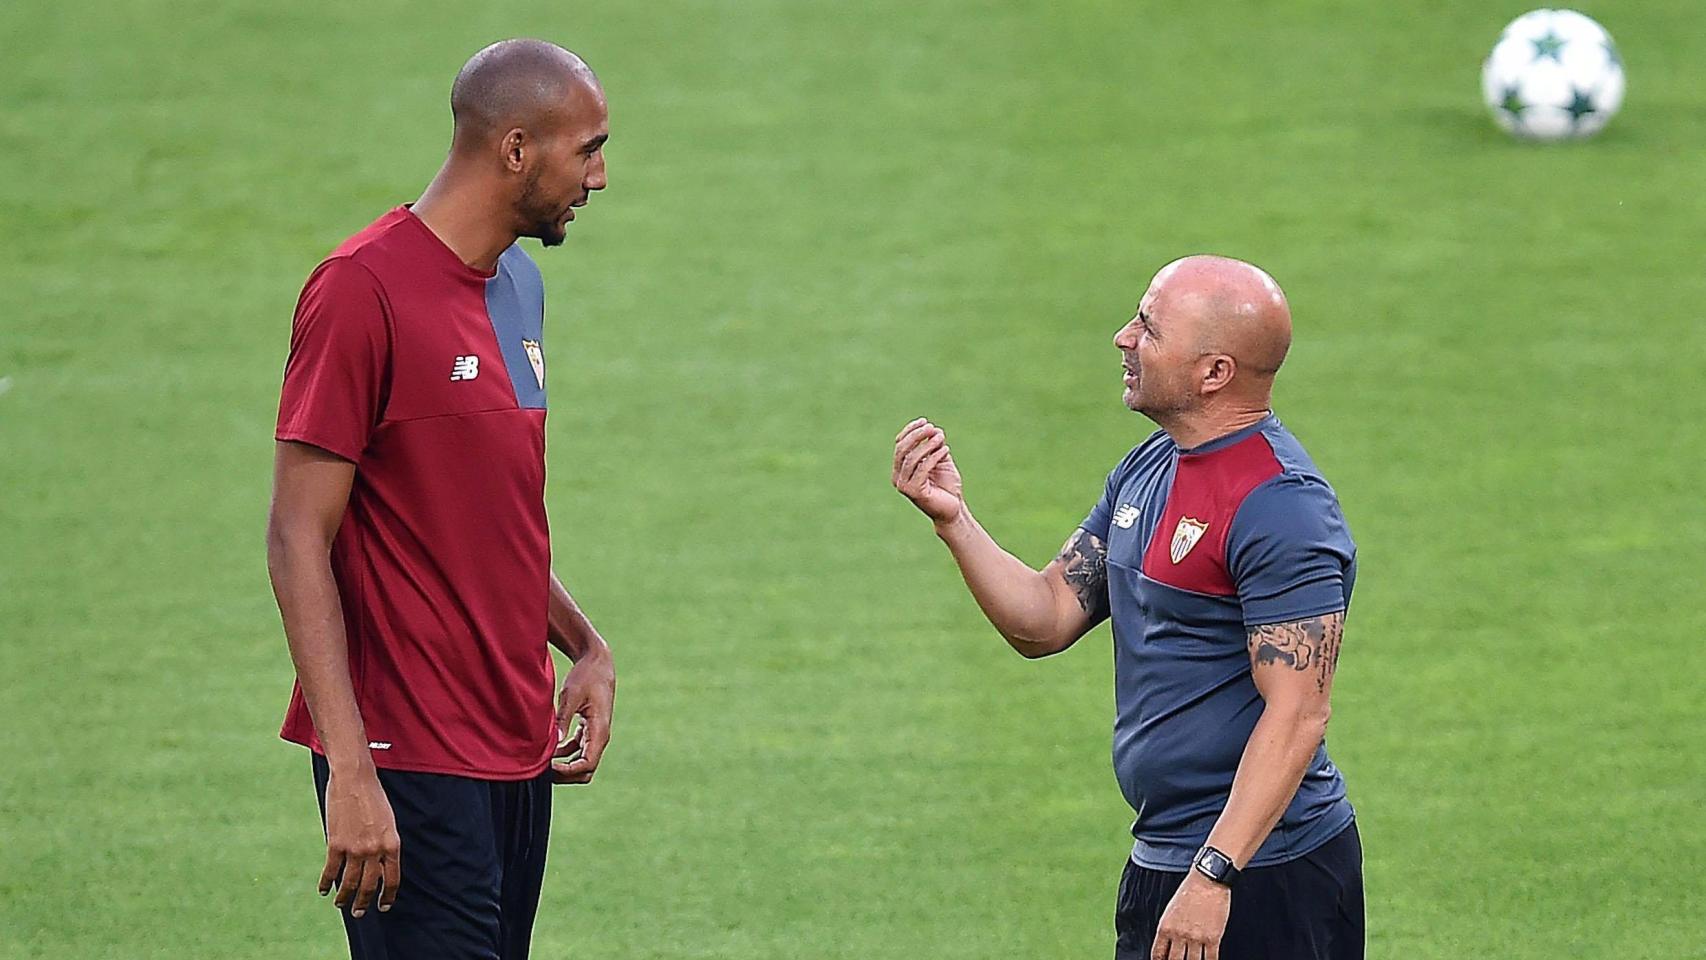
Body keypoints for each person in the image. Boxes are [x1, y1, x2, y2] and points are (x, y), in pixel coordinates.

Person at [892, 255, 1363, 960]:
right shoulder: (1150, 466)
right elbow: (1046, 617)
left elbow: (1298, 712)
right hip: (1168, 857)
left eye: (1149, 327)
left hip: (1262, 872)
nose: (1123, 337)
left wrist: (1214, 874)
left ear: (1215, 373)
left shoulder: (1280, 507)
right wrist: (953, 520)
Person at [265, 39, 615, 960]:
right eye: (587, 150)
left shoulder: (520, 286)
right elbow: (299, 536)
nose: (601, 177)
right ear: (515, 148)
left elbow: (477, 524)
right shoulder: (360, 291)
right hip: (406, 757)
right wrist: (349, 769)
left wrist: (583, 642)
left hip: (513, 746)